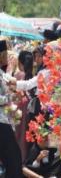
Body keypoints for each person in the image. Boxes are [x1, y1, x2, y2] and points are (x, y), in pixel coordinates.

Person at [0, 40, 23, 177]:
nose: (7, 57)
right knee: (13, 160)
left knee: (13, 160)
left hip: (5, 121)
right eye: (5, 54)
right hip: (1, 123)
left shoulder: (2, 73)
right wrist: (11, 98)